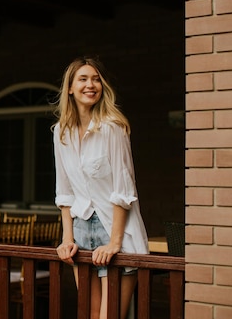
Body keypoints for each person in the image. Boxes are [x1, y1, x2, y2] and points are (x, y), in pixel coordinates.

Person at [53, 56, 148, 319]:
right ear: (70, 88)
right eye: (83, 79)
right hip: (81, 232)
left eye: (96, 79)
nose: (90, 85)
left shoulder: (113, 128)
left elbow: (123, 189)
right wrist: (67, 238)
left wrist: (114, 243)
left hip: (115, 232)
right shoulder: (61, 132)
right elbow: (65, 192)